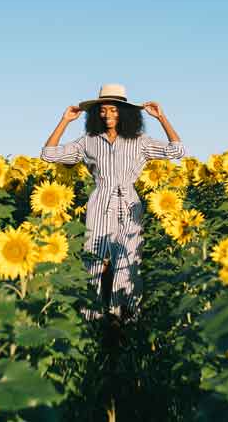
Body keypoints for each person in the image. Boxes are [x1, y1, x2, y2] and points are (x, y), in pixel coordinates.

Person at [40, 83, 185, 330]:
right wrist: (64, 121)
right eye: (104, 110)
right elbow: (49, 154)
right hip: (99, 201)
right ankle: (92, 322)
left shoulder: (139, 141)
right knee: (94, 260)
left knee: (128, 261)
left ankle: (126, 322)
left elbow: (177, 150)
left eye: (114, 110)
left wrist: (162, 118)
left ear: (124, 113)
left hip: (129, 203)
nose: (108, 115)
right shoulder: (89, 141)